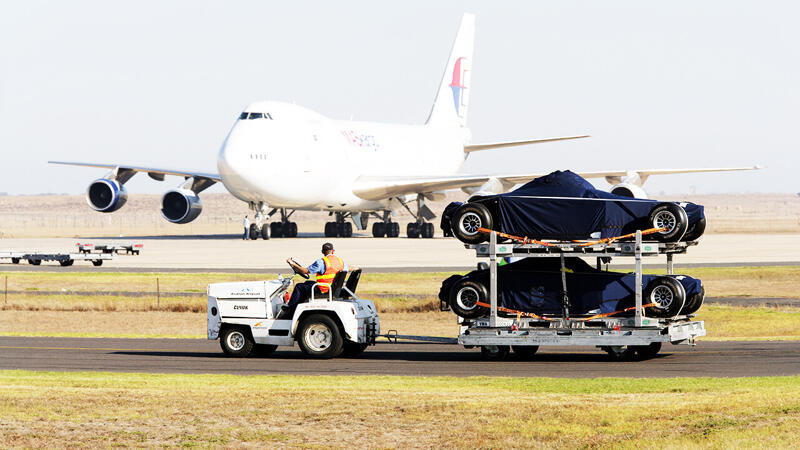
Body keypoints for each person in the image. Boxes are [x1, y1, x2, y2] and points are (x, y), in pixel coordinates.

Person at [278, 243, 353, 319]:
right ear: (333, 251)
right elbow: (350, 268)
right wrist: (357, 269)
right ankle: (297, 308)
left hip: (323, 290)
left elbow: (305, 271)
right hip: (332, 288)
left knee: (299, 287)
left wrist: (293, 264)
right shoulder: (340, 262)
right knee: (307, 283)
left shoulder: (321, 262)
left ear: (322, 252)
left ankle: (290, 310)